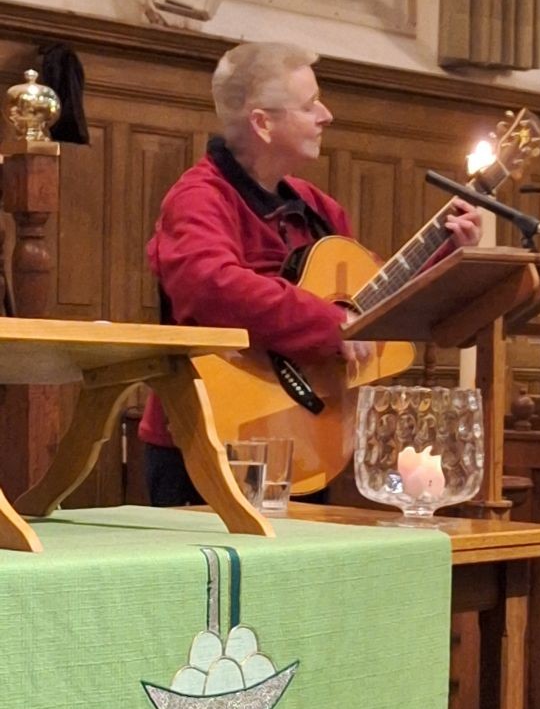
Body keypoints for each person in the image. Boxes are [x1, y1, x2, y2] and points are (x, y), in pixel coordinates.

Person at [138, 41, 482, 506]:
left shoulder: (318, 208)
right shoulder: (200, 197)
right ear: (263, 123)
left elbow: (370, 298)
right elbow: (210, 285)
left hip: (303, 434)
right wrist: (326, 323)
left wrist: (445, 254)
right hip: (211, 433)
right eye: (308, 105)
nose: (326, 115)